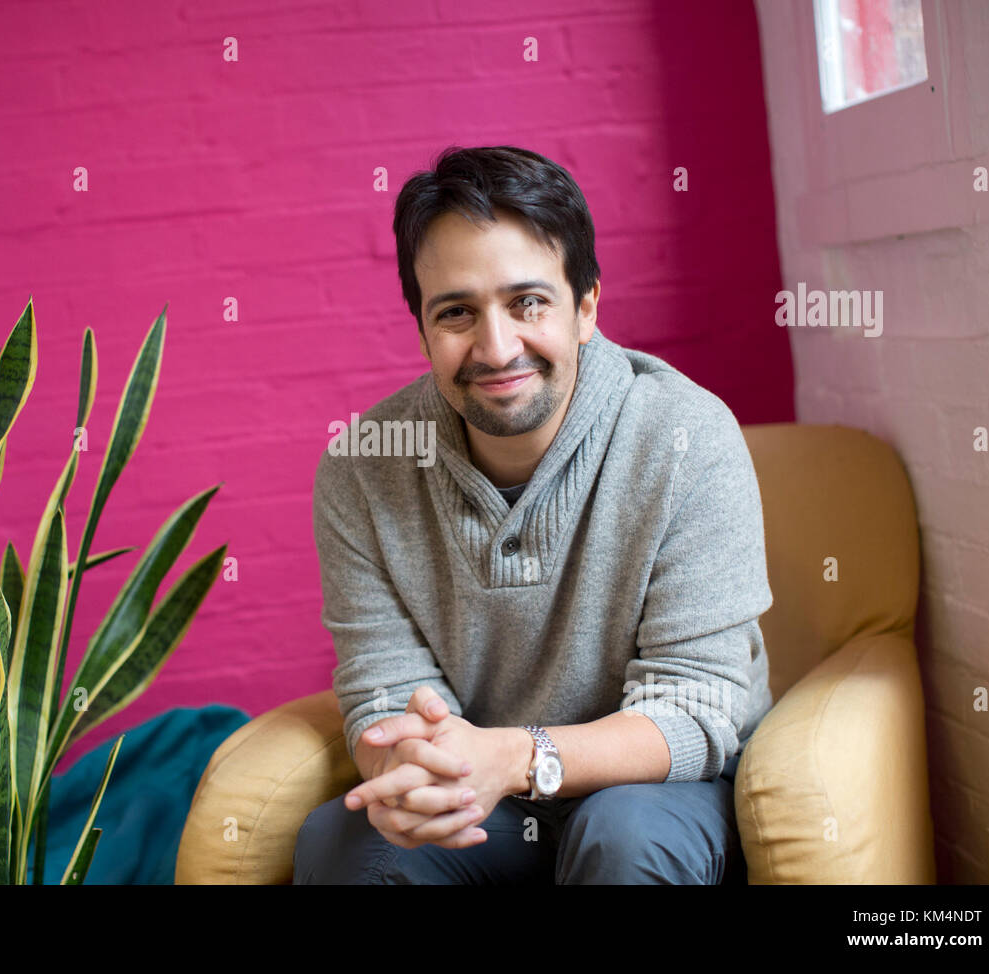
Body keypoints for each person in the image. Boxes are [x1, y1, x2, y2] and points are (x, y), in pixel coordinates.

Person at [293, 145, 773, 884]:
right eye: (456, 313)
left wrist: (515, 757)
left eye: (528, 303)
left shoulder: (687, 436)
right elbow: (381, 692)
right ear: (421, 328)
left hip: (657, 789)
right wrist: (408, 765)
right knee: (349, 846)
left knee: (623, 837)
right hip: (479, 797)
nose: (496, 347)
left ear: (585, 308)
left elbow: (697, 708)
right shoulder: (362, 468)